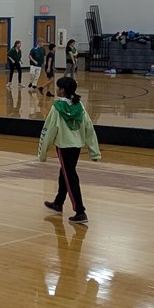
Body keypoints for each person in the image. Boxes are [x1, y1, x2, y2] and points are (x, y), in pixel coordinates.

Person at [38, 76, 101, 224]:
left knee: (70, 176)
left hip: (64, 147)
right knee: (65, 172)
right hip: (76, 146)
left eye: (58, 87)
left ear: (62, 90)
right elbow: (89, 128)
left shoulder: (56, 108)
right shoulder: (80, 106)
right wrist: (94, 150)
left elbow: (49, 130)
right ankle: (58, 202)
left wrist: (43, 152)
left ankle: (80, 211)